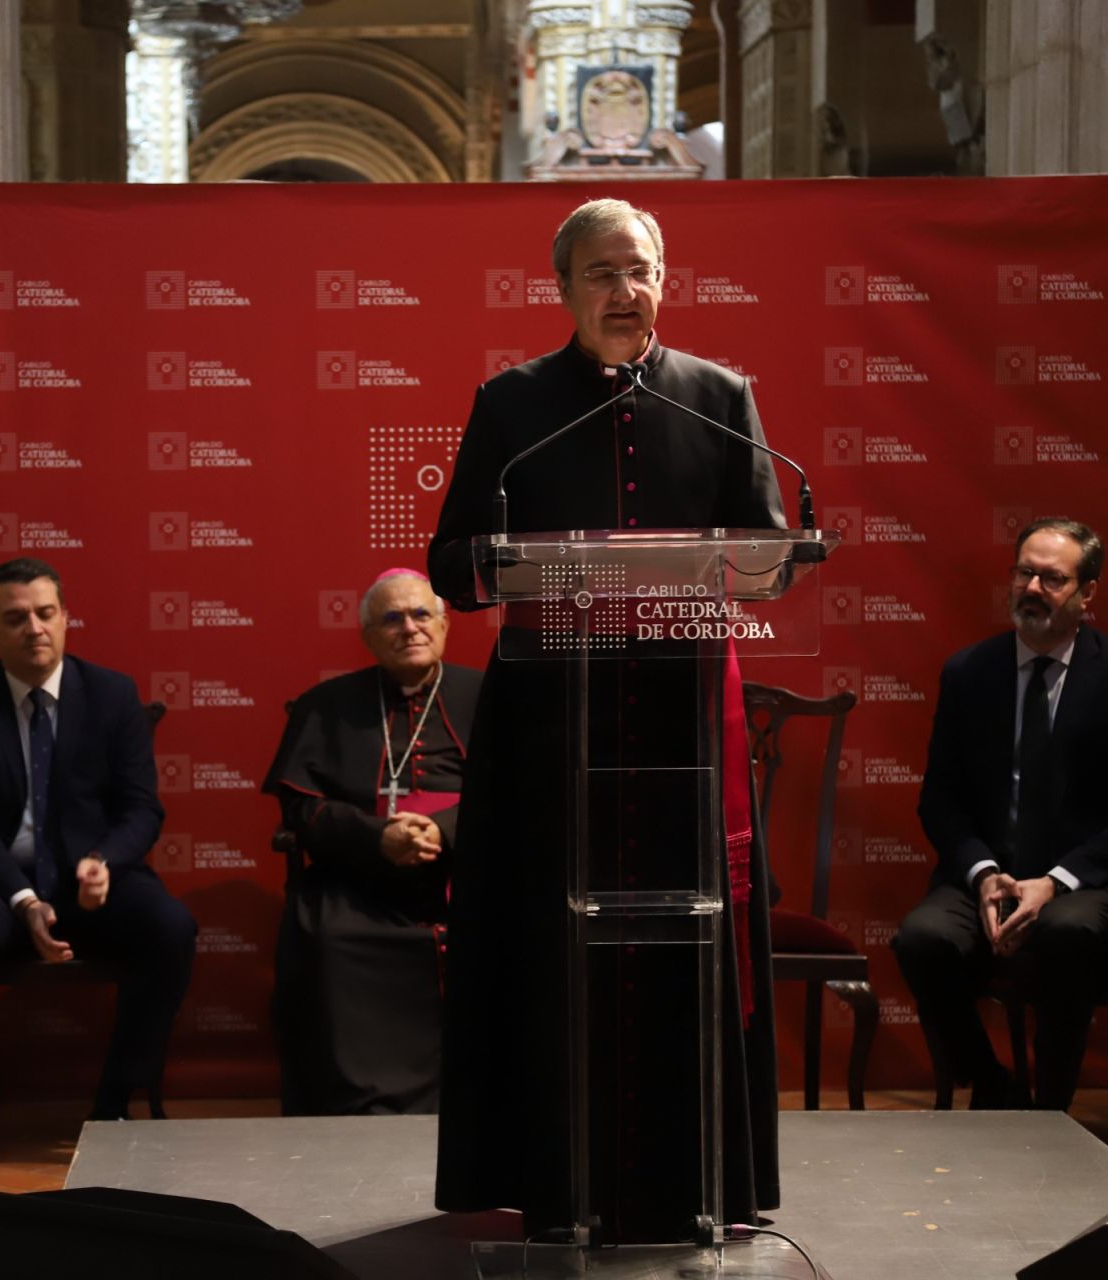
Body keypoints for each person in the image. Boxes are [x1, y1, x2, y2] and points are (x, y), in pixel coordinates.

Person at [426, 198, 786, 1243]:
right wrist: (508, 564)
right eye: (600, 274)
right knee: (547, 948)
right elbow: (454, 559)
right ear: (563, 288)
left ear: (664, 278)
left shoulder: (722, 399)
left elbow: (764, 551)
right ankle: (551, 1179)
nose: (623, 293)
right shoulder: (511, 402)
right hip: (552, 729)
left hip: (678, 728)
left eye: (638, 271)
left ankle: (696, 1182)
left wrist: (752, 564)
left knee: (688, 949)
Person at [0, 557, 196, 1183]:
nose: (35, 629)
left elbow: (141, 807)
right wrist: (22, 898)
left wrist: (105, 860)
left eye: (46, 614)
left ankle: (113, 1109)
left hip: (91, 880)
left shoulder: (112, 694)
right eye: (15, 618)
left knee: (170, 927)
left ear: (67, 618)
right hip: (1, 884)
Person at [893, 518, 1108, 1110]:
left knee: (1066, 930)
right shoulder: (969, 673)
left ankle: (1051, 1110)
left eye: (1053, 578)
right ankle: (993, 1089)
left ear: (1087, 592)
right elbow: (939, 798)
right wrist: (983, 872)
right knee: (922, 939)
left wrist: (1056, 882)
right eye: (1025, 573)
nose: (1034, 589)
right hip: (992, 871)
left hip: (1089, 880)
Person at [262, 569, 482, 1116]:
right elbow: (301, 807)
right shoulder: (327, 704)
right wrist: (377, 838)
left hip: (472, 871)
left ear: (445, 624)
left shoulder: (489, 696)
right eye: (391, 619)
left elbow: (527, 789)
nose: (409, 628)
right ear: (367, 636)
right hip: (360, 876)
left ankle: (483, 1098)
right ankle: (356, 1106)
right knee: (328, 937)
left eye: (420, 615)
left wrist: (446, 830)